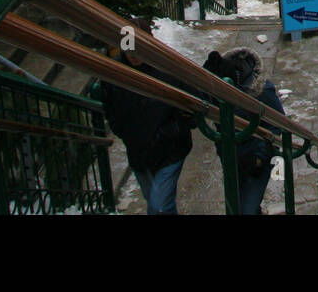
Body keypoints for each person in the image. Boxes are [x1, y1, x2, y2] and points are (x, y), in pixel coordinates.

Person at [99, 22, 194, 215]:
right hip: (139, 153)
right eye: (129, 50)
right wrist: (125, 131)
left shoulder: (168, 69)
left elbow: (192, 106)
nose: (133, 55)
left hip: (170, 150)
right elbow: (110, 109)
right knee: (157, 202)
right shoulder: (114, 73)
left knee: (158, 207)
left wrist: (174, 129)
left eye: (138, 49)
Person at [203, 47, 286, 215]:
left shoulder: (262, 91)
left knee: (245, 208)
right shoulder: (218, 88)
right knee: (238, 206)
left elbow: (277, 123)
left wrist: (261, 156)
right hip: (231, 158)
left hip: (256, 160)